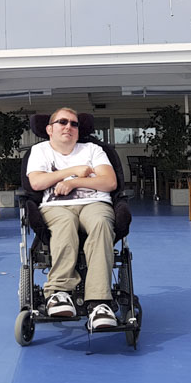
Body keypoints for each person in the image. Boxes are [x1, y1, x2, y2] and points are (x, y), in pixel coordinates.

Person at [26, 107, 119, 331]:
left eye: (74, 124)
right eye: (62, 122)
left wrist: (75, 182)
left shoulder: (93, 150)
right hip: (56, 206)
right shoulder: (39, 151)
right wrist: (76, 170)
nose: (69, 126)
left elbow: (109, 183)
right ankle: (58, 292)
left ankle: (99, 303)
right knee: (65, 224)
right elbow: (37, 183)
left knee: (100, 223)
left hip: (94, 203)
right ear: (49, 129)